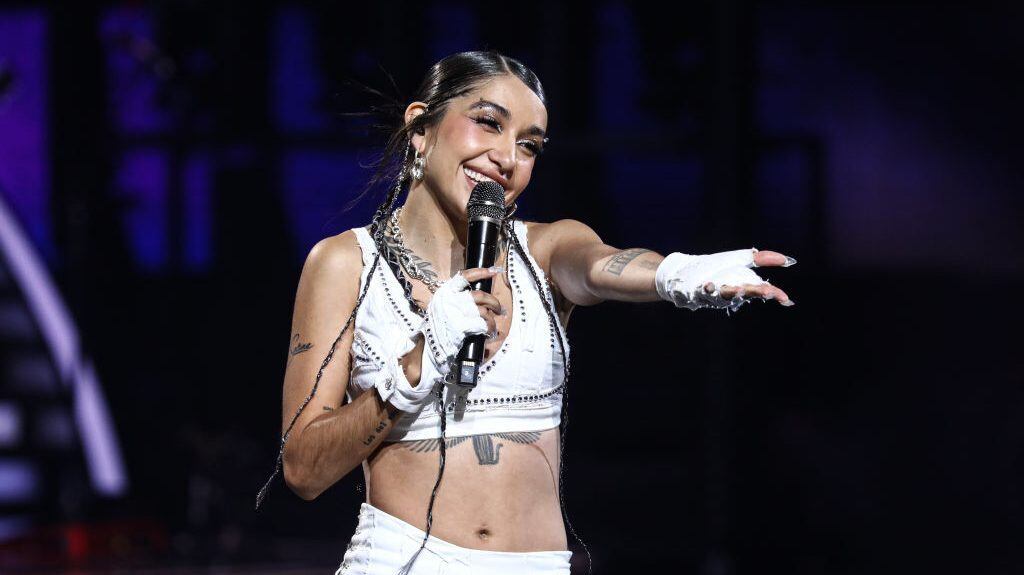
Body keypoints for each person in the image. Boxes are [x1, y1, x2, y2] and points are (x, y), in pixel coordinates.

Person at [254, 50, 796, 575]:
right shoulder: (345, 264)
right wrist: (415, 368)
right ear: (420, 126)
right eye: (488, 123)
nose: (508, 158)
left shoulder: (546, 249)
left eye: (529, 145)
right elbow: (303, 469)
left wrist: (677, 274)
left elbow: (601, 265)